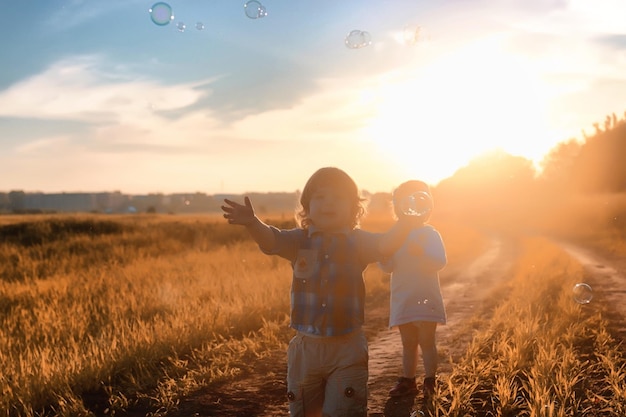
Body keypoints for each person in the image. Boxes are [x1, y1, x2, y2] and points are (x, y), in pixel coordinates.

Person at [221, 167, 418, 417]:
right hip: (306, 349)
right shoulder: (298, 241)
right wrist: (252, 222)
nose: (328, 204)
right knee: (304, 410)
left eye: (338, 198)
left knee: (346, 410)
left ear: (353, 208)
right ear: (307, 206)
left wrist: (406, 223)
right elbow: (272, 240)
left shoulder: (358, 242)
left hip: (347, 348)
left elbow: (385, 244)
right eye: (321, 197)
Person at [380, 180, 447, 399]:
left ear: (427, 206)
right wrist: (384, 256)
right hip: (403, 298)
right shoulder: (394, 236)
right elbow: (387, 267)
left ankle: (431, 380)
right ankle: (408, 380)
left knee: (427, 341)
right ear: (397, 207)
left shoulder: (430, 235)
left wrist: (422, 254)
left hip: (425, 297)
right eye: (405, 202)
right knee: (408, 342)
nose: (412, 207)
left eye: (419, 201)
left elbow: (439, 262)